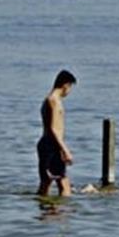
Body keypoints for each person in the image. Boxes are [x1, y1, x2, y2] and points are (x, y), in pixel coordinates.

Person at [36, 69, 76, 197]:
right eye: (70, 88)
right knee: (63, 183)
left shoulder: (49, 100)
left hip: (49, 144)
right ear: (66, 85)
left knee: (46, 182)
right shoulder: (53, 101)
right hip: (51, 145)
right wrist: (65, 149)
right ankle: (62, 213)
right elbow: (53, 128)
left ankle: (47, 212)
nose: (69, 92)